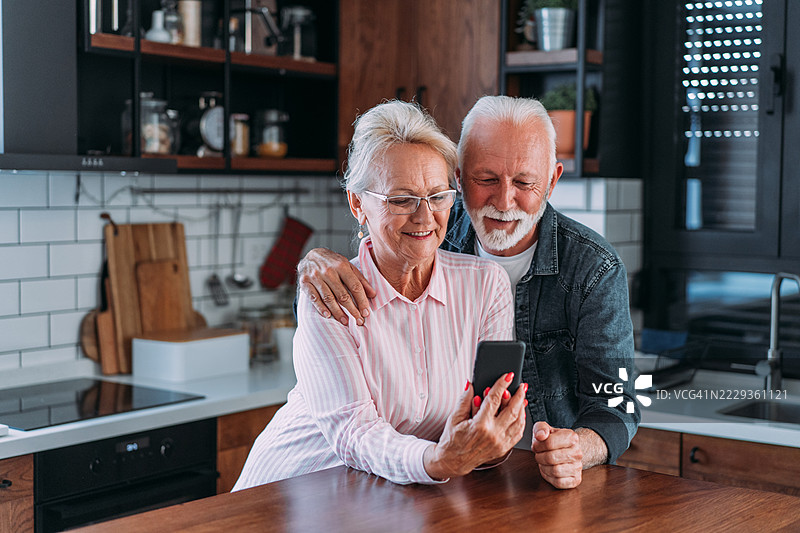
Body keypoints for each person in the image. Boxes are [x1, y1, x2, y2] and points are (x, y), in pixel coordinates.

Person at [296, 95, 640, 489]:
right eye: (486, 179)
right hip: (436, 476)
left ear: (552, 180)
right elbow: (347, 294)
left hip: (529, 479)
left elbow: (616, 403)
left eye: (525, 182)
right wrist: (312, 266)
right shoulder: (430, 228)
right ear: (458, 178)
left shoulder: (593, 269)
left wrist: (578, 447)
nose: (504, 200)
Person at [233, 100, 526, 490]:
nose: (424, 218)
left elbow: (488, 422)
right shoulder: (328, 295)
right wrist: (438, 460)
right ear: (358, 204)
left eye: (438, 196)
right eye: (401, 200)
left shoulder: (486, 286)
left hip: (383, 499)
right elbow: (355, 432)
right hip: (289, 493)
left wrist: (491, 440)